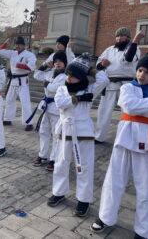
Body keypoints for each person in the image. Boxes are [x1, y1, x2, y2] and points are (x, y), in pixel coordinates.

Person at [91, 51, 148, 239]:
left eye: (147, 72)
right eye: (140, 70)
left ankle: (144, 231)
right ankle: (105, 217)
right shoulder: (127, 87)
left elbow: (142, 109)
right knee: (114, 180)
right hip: (125, 137)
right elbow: (129, 106)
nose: (141, 75)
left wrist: (146, 106)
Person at [47, 53, 109, 217]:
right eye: (68, 74)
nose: (69, 77)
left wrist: (91, 70)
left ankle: (83, 199)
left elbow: (104, 80)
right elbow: (61, 103)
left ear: (81, 76)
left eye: (73, 75)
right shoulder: (62, 88)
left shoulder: (90, 88)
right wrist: (79, 98)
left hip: (83, 131)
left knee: (84, 166)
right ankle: (59, 192)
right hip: (65, 129)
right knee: (61, 163)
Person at [95, 29, 143, 143]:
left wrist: (136, 40)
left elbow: (129, 58)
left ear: (128, 38)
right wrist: (102, 64)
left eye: (122, 36)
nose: (119, 38)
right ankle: (99, 136)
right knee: (103, 112)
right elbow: (98, 65)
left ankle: (130, 138)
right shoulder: (109, 50)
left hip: (126, 85)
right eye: (117, 36)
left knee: (128, 111)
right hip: (110, 84)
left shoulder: (134, 48)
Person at [31, 51, 68, 171]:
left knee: (55, 134)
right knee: (43, 131)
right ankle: (42, 155)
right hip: (46, 107)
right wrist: (44, 65)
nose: (58, 64)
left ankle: (53, 158)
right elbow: (36, 75)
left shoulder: (66, 77)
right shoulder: (50, 73)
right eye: (56, 62)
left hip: (56, 108)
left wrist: (46, 83)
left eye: (60, 62)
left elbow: (54, 89)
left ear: (65, 63)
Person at [0, 36, 36, 131]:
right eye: (16, 44)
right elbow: (0, 51)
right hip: (13, 80)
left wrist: (19, 65)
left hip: (23, 80)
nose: (18, 46)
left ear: (24, 45)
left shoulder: (29, 55)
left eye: (19, 44)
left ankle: (29, 123)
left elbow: (31, 67)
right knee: (9, 100)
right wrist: (5, 43)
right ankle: (8, 119)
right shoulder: (13, 53)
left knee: (25, 102)